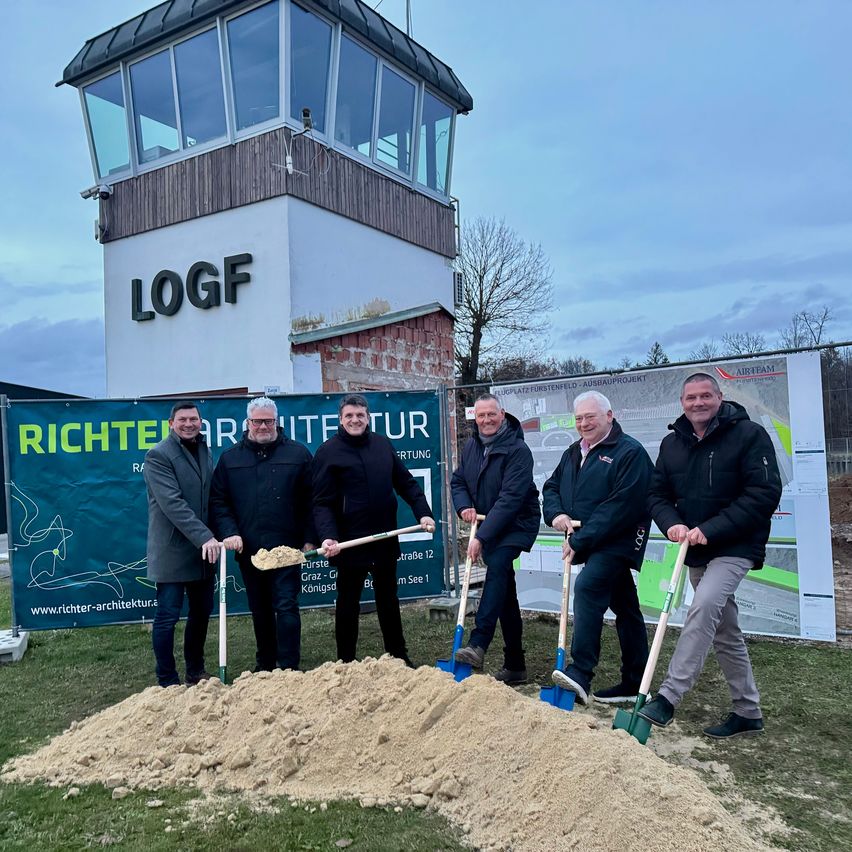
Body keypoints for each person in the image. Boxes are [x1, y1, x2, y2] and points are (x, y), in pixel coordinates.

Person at [639, 372, 782, 738]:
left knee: (702, 607)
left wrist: (712, 529)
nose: (698, 403)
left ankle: (668, 697)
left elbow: (763, 493)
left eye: (705, 396)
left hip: (736, 545)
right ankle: (748, 711)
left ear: (720, 397)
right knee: (724, 631)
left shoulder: (749, 436)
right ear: (682, 403)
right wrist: (671, 523)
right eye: (691, 398)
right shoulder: (673, 444)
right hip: (695, 550)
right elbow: (656, 495)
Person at [542, 390, 654, 705]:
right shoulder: (572, 453)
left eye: (590, 416)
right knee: (626, 608)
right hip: (592, 540)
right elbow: (551, 487)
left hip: (618, 540)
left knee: (590, 587)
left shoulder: (629, 453)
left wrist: (580, 539)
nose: (584, 423)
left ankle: (581, 672)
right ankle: (635, 682)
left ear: (609, 415)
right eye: (578, 418)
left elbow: (619, 507)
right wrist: (557, 514)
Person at [312, 394, 435, 666]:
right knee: (347, 603)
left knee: (388, 600)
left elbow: (406, 483)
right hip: (349, 542)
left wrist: (423, 513)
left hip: (384, 539)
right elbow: (321, 502)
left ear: (368, 418)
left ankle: (398, 656)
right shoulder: (328, 452)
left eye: (360, 415)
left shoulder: (382, 445)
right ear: (340, 419)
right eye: (349, 416)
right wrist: (328, 535)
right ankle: (345, 662)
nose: (355, 420)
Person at [210, 396, 315, 672]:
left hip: (288, 549)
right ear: (248, 423)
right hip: (251, 550)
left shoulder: (298, 454)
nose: (263, 426)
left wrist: (308, 538)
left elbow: (312, 500)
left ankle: (289, 666)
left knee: (287, 606)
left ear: (277, 422)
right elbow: (219, 502)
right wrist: (230, 532)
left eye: (268, 421)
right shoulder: (230, 459)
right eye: (258, 421)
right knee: (260, 609)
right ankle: (265, 664)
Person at [451, 393, 540, 684]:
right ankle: (516, 665)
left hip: (516, 523)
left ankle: (478, 643)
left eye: (491, 414)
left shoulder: (517, 450)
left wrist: (481, 538)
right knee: (505, 595)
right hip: (489, 523)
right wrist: (464, 506)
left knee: (499, 564)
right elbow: (458, 480)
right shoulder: (472, 446)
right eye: (481, 416)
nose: (486, 420)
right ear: (474, 418)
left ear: (502, 414)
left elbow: (511, 499)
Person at [143, 400, 220, 687]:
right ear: (171, 423)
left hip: (203, 552)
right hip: (173, 551)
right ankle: (167, 679)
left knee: (200, 615)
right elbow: (173, 504)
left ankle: (195, 672)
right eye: (183, 419)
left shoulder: (203, 449)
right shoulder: (158, 455)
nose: (189, 424)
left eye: (194, 419)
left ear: (201, 422)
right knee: (167, 617)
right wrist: (206, 537)